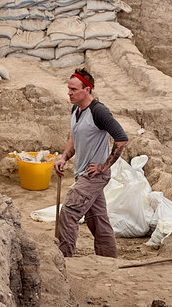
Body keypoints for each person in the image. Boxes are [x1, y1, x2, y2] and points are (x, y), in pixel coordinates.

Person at [54, 68, 128, 259]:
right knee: (98, 219)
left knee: (69, 212)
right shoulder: (76, 109)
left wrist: (104, 166)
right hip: (82, 172)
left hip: (93, 175)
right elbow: (75, 137)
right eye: (68, 89)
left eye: (73, 89)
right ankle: (108, 260)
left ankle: (64, 259)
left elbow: (121, 139)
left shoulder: (98, 111)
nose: (69, 93)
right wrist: (63, 158)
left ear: (87, 90)